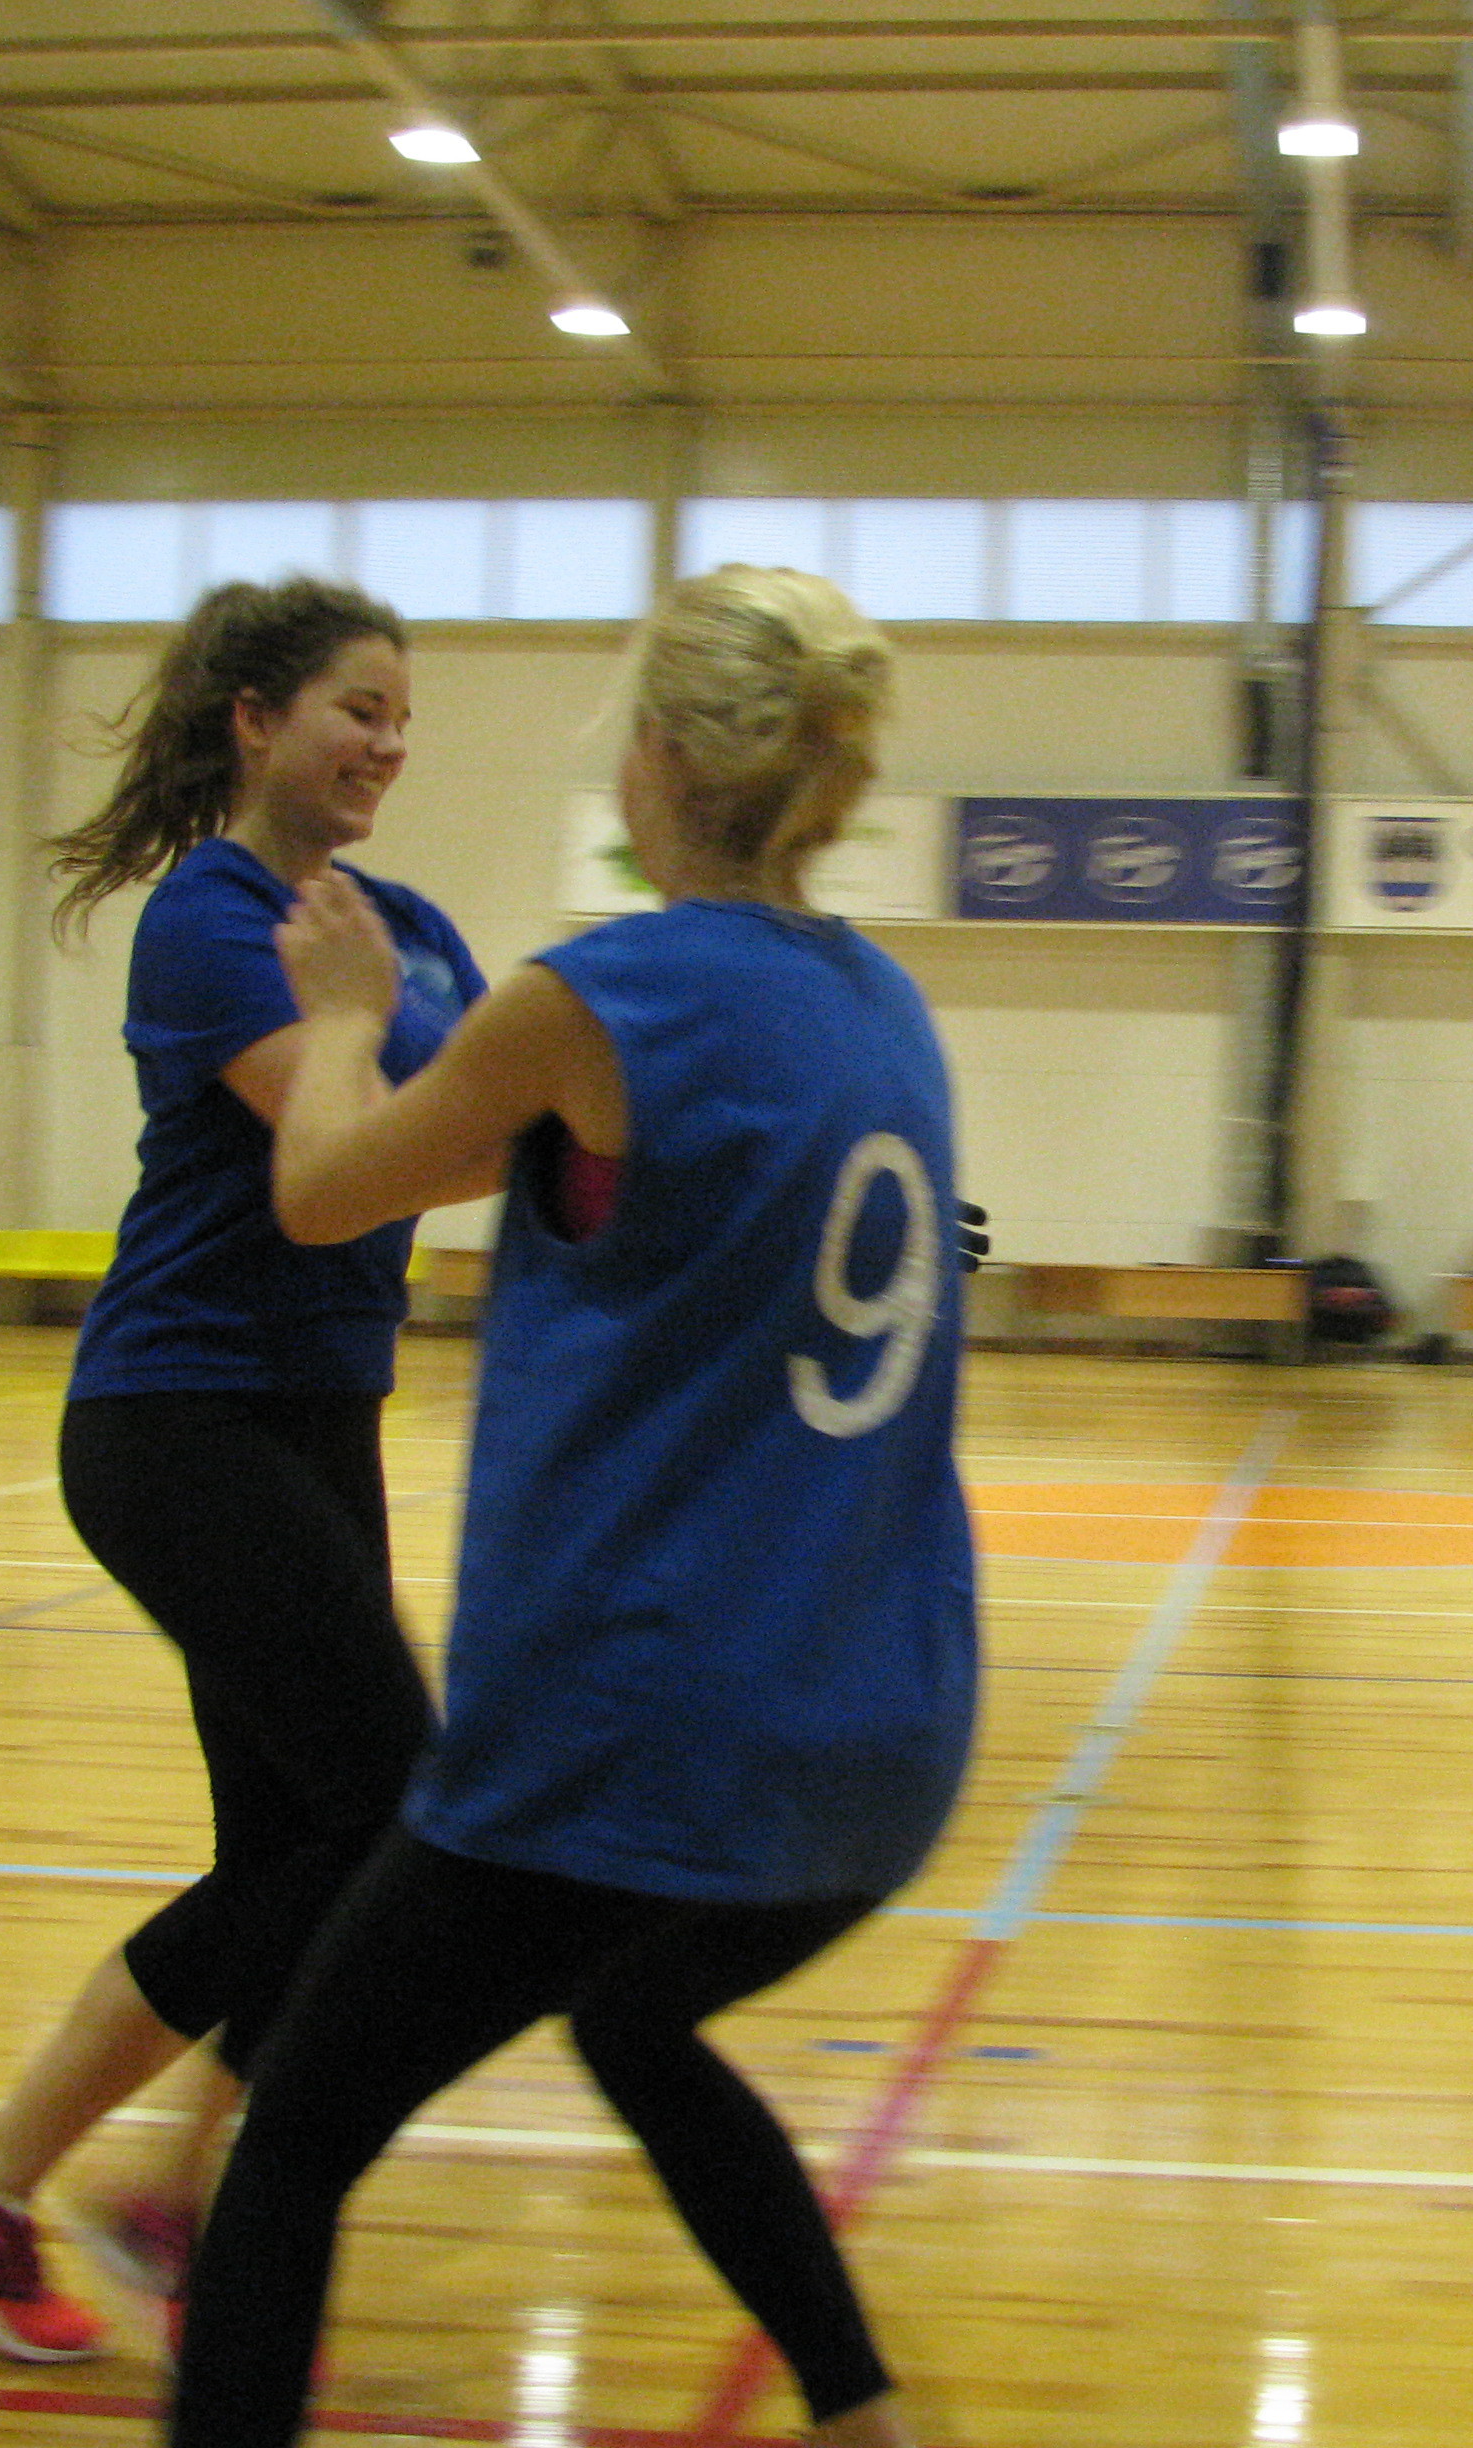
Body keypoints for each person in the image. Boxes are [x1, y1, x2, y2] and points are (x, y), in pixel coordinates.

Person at [161, 564, 973, 2448]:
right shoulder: (887, 1006)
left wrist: (344, 1015)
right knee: (631, 2020)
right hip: (887, 1737)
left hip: (637, 1733)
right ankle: (860, 2417)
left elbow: (324, 1191)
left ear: (665, 756)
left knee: (292, 2144)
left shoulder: (596, 999)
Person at [0, 577, 487, 2360]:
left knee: (309, 1846)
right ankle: (38, 2178)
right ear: (256, 720)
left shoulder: (404, 926)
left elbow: (499, 1120)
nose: (387, 743)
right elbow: (351, 1158)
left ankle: (89, 2193)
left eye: (401, 716)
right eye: (356, 708)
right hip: (180, 1421)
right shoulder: (211, 921)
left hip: (318, 1415)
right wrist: (413, 1073)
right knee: (393, 1812)